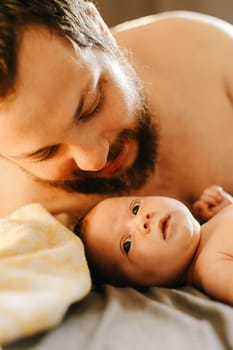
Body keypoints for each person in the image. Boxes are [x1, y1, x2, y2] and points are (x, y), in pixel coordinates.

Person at [0, 1, 233, 225]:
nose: (94, 159)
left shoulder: (208, 52)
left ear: (99, 28)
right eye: (46, 152)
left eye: (91, 107)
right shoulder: (13, 217)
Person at [75, 185, 233, 305]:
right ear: (138, 285)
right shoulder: (212, 270)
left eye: (135, 208)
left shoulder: (213, 224)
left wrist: (226, 205)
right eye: (127, 244)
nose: (142, 220)